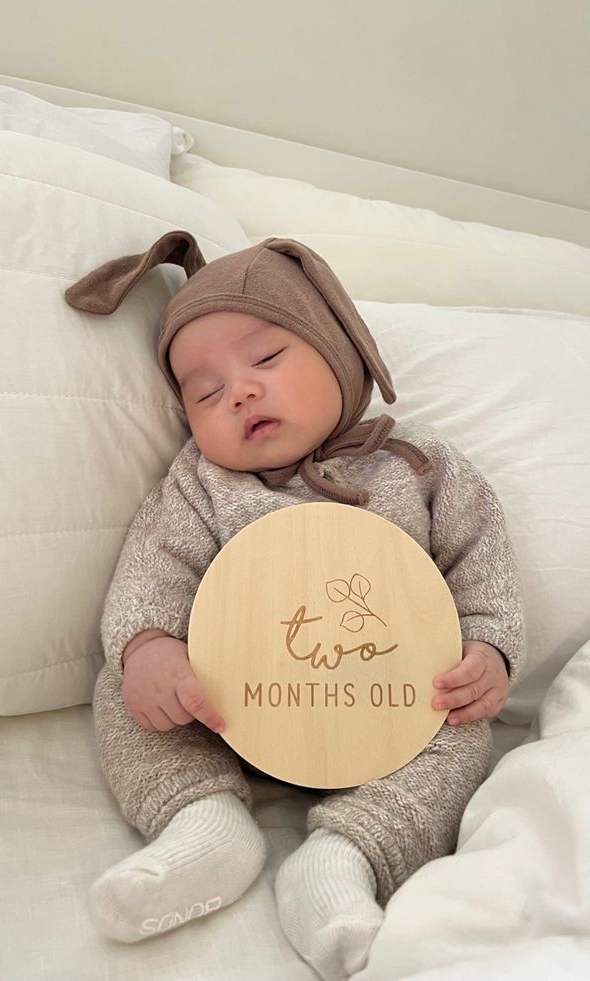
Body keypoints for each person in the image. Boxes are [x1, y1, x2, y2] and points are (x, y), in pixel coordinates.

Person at [65, 234, 525, 981]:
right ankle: (203, 820)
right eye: (205, 392)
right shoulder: (201, 484)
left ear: (341, 348)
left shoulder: (421, 467)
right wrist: (150, 647)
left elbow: (483, 569)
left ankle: (345, 856)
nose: (238, 391)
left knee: (467, 728)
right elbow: (153, 572)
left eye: (267, 360)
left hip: (392, 711)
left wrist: (491, 653)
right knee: (125, 684)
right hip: (227, 712)